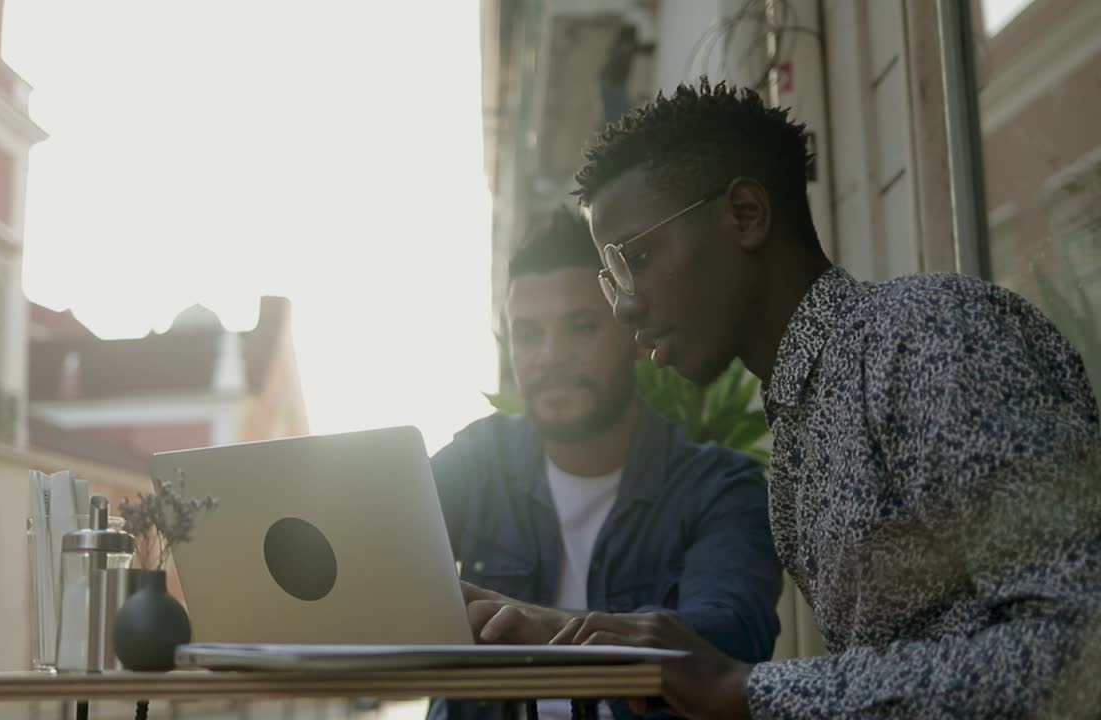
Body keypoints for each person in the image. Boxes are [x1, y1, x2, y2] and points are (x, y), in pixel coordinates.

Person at [475, 78, 1101, 719]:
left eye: (638, 255)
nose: (626, 304)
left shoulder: (928, 333)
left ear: (746, 214)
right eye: (613, 277)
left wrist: (739, 688)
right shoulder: (801, 429)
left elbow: (1080, 645)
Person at [429, 207, 783, 720]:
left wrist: (546, 627)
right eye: (528, 333)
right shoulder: (478, 461)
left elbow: (732, 637)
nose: (549, 356)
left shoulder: (720, 487)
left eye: (581, 326)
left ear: (635, 336)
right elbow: (374, 560)